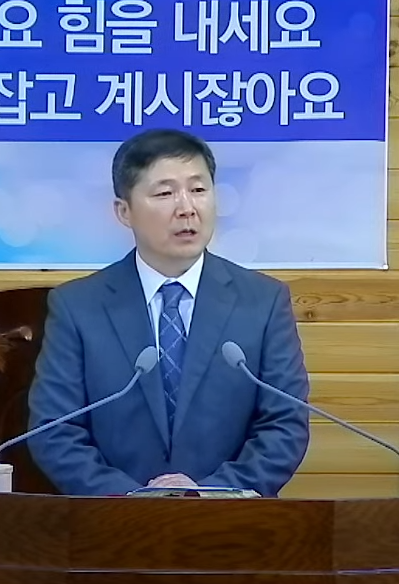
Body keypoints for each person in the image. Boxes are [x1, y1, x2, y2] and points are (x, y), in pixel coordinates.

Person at [26, 128, 312, 497]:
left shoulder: (263, 301)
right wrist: (131, 499)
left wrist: (209, 494)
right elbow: (55, 430)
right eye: (164, 193)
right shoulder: (78, 306)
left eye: (199, 189)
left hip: (231, 520)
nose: (186, 208)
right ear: (124, 211)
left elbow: (285, 424)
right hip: (112, 520)